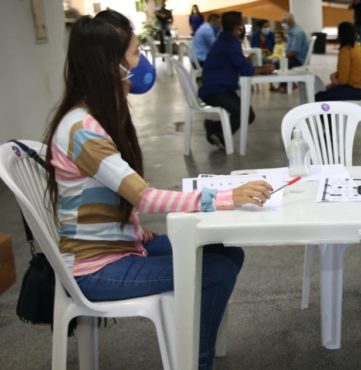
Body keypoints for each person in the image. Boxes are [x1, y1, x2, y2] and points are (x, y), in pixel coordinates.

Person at [42, 10, 272, 370]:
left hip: (122, 246)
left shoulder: (97, 115)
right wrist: (228, 197)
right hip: (96, 268)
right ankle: (196, 361)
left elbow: (111, 192)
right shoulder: (82, 130)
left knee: (226, 252)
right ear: (112, 66)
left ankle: (196, 350)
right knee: (216, 271)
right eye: (134, 54)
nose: (142, 62)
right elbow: (144, 196)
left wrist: (132, 229)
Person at [199, 11, 275, 149]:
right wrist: (264, 69)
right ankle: (221, 135)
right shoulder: (230, 42)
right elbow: (246, 70)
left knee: (246, 113)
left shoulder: (224, 39)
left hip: (216, 88)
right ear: (237, 27)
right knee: (246, 114)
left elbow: (236, 62)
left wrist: (247, 62)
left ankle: (213, 127)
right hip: (216, 91)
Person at [315, 22, 361, 101]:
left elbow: (342, 81)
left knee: (317, 97)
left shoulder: (345, 50)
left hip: (355, 90)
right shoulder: (357, 47)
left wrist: (332, 77)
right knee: (326, 92)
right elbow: (346, 72)